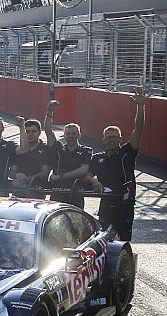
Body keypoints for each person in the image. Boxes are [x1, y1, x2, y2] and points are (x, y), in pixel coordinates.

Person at [89, 86, 147, 240]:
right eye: (108, 137)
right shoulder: (97, 157)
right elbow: (87, 175)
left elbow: (139, 129)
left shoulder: (127, 152)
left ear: (121, 138)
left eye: (115, 137)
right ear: (104, 139)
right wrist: (93, 180)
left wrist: (141, 106)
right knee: (102, 239)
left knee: (123, 241)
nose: (112, 139)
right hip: (106, 204)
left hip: (124, 206)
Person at [42, 100, 96, 209]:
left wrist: (61, 176)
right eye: (68, 134)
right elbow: (48, 130)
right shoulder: (58, 148)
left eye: (73, 133)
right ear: (64, 135)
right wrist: (49, 111)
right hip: (57, 194)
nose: (70, 136)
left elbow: (83, 170)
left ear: (79, 135)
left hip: (76, 193)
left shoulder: (87, 150)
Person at [10, 116, 52, 196]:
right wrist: (17, 175)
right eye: (28, 132)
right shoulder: (19, 150)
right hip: (18, 193)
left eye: (33, 131)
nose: (30, 134)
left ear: (39, 132)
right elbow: (12, 172)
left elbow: (45, 173)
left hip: (37, 194)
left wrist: (26, 179)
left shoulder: (46, 150)